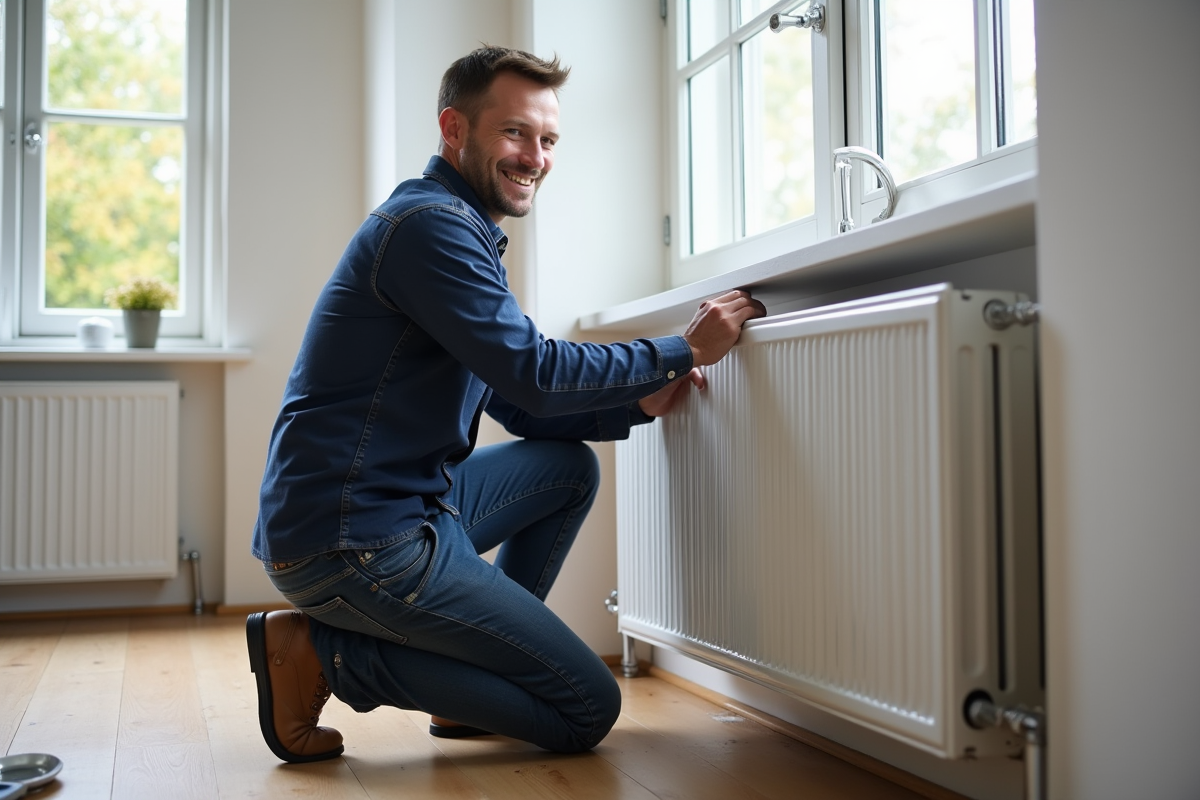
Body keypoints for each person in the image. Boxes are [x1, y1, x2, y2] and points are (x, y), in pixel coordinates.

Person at [245, 45, 766, 764]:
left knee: (566, 469)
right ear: (454, 129)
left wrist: (638, 406)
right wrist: (683, 349)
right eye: (516, 133)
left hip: (391, 510)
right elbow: (536, 372)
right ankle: (326, 655)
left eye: (548, 140)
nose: (536, 157)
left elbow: (520, 407)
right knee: (587, 708)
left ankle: (466, 688)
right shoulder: (430, 228)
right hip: (354, 537)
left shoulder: (459, 230)